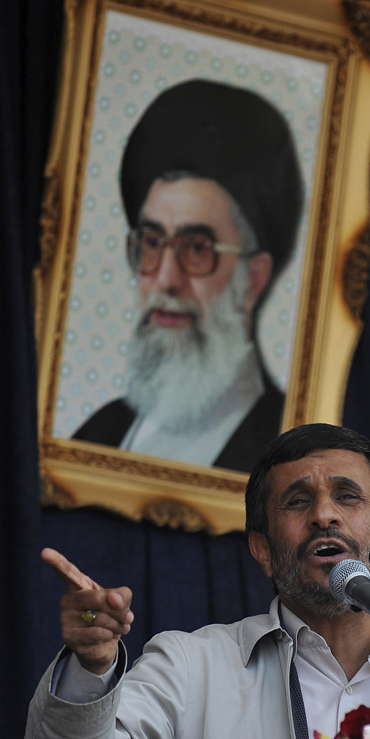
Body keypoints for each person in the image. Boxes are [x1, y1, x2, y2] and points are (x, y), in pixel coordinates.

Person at [16, 423, 370, 739]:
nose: (324, 514)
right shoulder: (189, 670)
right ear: (262, 550)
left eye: (347, 495)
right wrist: (91, 669)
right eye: (298, 501)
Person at [72, 79, 304, 473]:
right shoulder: (100, 433)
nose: (165, 279)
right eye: (151, 242)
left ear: (254, 278)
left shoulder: (287, 457)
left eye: (197, 248)